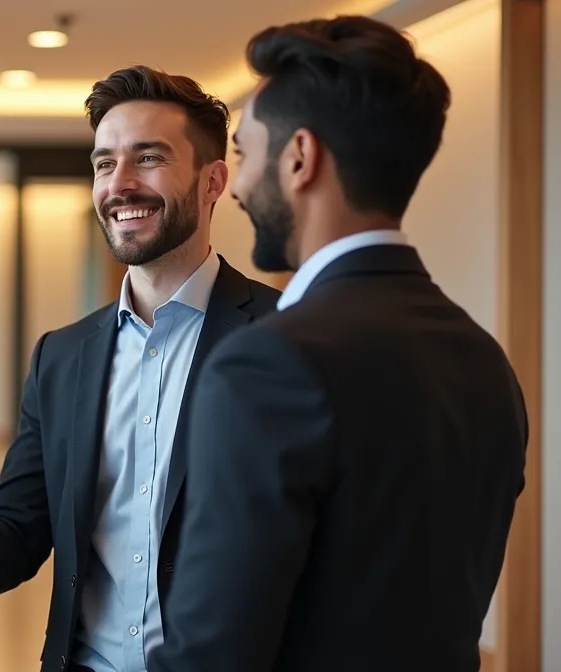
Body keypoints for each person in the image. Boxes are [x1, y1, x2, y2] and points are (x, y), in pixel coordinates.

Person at [0, 66, 281, 672]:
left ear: (212, 182)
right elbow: (18, 528)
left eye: (147, 158)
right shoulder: (63, 356)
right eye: (104, 163)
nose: (120, 184)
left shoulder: (289, 335)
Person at [147, 15, 527, 672]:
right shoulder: (483, 358)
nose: (235, 187)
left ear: (300, 158)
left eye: (245, 156)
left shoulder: (266, 363)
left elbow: (213, 655)